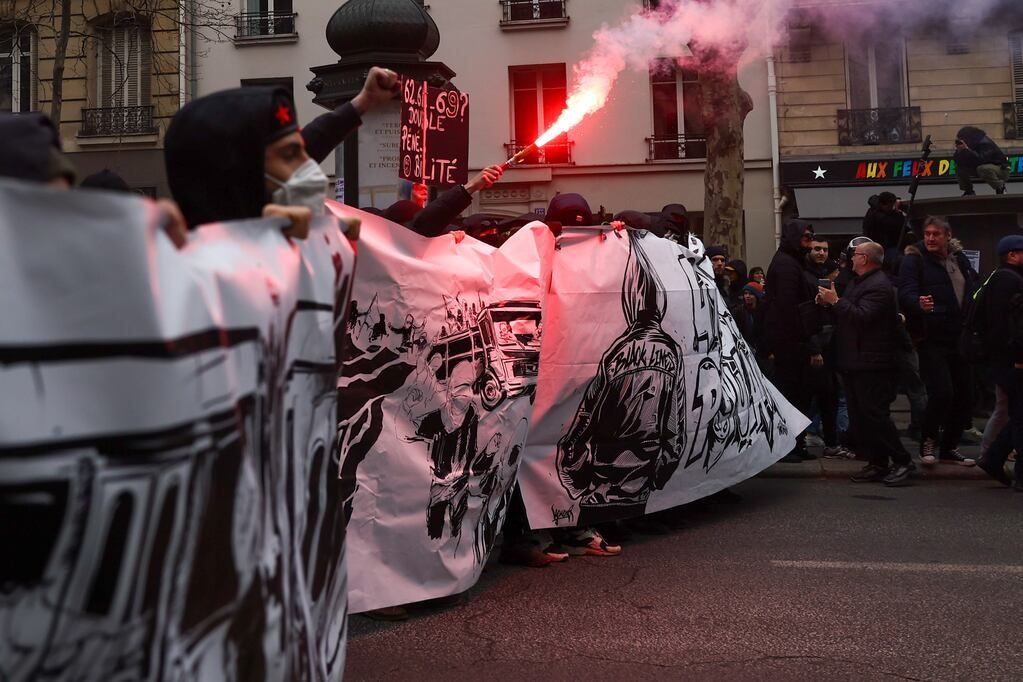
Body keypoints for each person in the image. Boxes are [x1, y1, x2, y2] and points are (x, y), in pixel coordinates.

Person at [817, 242, 916, 486]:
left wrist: (836, 302)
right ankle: (878, 462)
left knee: (876, 415)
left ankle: (903, 460)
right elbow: (848, 313)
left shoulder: (880, 286)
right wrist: (830, 303)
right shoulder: (858, 282)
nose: (851, 258)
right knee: (862, 417)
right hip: (855, 360)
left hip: (874, 362)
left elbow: (862, 316)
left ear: (866, 259)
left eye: (856, 255)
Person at [897, 216, 979, 466]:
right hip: (932, 336)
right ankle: (928, 441)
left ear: (947, 236)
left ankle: (950, 446)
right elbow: (906, 291)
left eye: (936, 234)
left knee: (966, 395)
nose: (931, 238)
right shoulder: (915, 260)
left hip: (960, 336)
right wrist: (918, 303)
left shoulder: (959, 259)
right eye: (927, 233)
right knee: (942, 392)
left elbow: (973, 289)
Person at [762, 219, 818, 462]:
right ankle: (790, 445)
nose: (810, 241)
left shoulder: (791, 261)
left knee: (798, 393)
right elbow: (786, 307)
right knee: (792, 394)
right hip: (790, 342)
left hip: (791, 340)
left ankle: (796, 444)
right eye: (806, 237)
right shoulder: (787, 264)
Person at [975, 235, 1023, 491]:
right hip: (1013, 361)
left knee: (1015, 413)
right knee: (1019, 415)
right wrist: (1018, 359)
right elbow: (1012, 327)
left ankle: (992, 459)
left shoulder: (996, 278)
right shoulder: (1010, 281)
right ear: (1012, 255)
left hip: (1002, 360)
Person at [383, 165, 506, 237]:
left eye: (425, 185)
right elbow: (421, 224)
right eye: (417, 185)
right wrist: (471, 186)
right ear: (407, 190)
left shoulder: (440, 220)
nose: (424, 187)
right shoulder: (397, 215)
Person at [953, 126, 1010, 195]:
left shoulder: (985, 143)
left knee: (982, 168)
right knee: (959, 168)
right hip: (982, 170)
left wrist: (967, 150)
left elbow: (981, 159)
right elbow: (958, 162)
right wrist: (959, 152)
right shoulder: (970, 144)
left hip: (1001, 170)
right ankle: (969, 191)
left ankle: (1000, 187)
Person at [862, 191, 906, 261]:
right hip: (880, 249)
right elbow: (898, 225)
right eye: (891, 206)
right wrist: (898, 211)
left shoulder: (874, 210)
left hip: (880, 247)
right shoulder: (878, 216)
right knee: (899, 259)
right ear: (884, 205)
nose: (892, 208)